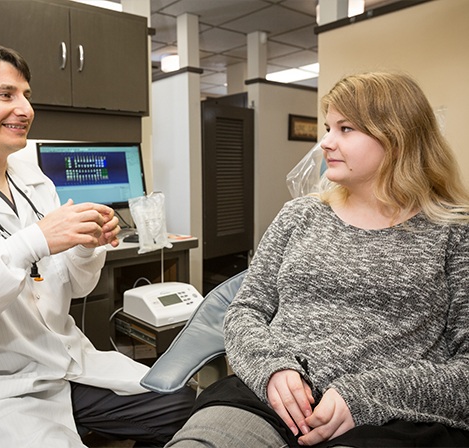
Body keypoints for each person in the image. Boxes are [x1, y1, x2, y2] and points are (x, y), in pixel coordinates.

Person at [0, 41, 194, 448]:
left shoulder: (36, 183)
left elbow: (74, 288)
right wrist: (34, 241)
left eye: (27, 95)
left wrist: (84, 247)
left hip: (61, 364)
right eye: (6, 95)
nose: (25, 109)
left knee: (184, 403)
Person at [165, 72, 469, 447]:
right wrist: (271, 368)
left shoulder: (453, 234)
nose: (325, 142)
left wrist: (367, 395)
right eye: (327, 127)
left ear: (397, 136)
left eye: (345, 129)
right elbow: (245, 310)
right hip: (269, 402)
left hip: (392, 419)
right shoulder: (300, 216)